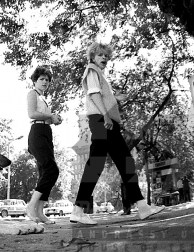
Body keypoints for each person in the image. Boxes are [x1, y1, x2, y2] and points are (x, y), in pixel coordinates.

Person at [71, 41, 164, 225]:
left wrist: (115, 99)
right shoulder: (92, 70)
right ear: (92, 57)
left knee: (124, 162)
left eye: (106, 55)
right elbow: (94, 95)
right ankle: (78, 210)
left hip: (107, 122)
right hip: (101, 121)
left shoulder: (100, 75)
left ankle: (142, 207)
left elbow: (102, 96)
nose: (104, 58)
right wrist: (106, 116)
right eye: (100, 55)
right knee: (97, 164)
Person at [25, 66, 63, 224]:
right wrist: (50, 115)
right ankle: (31, 206)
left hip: (46, 132)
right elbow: (32, 114)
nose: (45, 82)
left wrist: (55, 119)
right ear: (34, 81)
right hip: (37, 132)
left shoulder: (44, 99)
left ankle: (40, 212)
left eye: (47, 80)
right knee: (51, 169)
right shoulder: (32, 93)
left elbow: (46, 118)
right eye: (41, 79)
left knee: (45, 173)